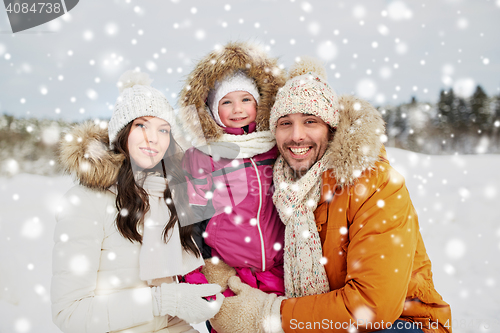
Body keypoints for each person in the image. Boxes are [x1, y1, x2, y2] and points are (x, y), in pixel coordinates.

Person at [207, 58, 452, 333]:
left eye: (310, 121)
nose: (296, 136)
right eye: (285, 123)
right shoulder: (282, 185)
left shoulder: (373, 183)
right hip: (329, 322)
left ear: (331, 127)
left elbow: (373, 307)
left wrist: (269, 315)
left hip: (402, 324)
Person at [51, 70, 224, 333]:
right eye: (141, 125)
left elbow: (169, 317)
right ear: (121, 133)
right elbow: (70, 314)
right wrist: (164, 301)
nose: (153, 138)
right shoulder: (84, 202)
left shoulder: (164, 197)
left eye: (163, 129)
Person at [177, 42, 287, 331]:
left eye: (245, 99)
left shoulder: (276, 149)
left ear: (259, 104)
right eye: (226, 102)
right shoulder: (202, 156)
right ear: (212, 111)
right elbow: (189, 224)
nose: (237, 109)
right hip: (229, 276)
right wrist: (198, 277)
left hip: (281, 275)